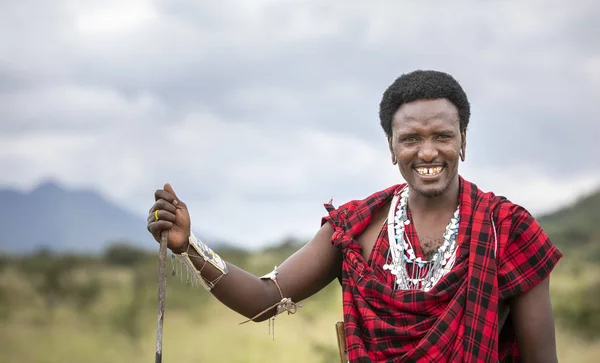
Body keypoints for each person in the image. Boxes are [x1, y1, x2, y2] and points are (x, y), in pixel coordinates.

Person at [147, 70, 563, 363]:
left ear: (464, 142)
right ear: (391, 147)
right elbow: (262, 300)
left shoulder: (506, 229)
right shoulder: (356, 228)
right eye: (411, 139)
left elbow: (542, 359)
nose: (428, 152)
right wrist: (189, 246)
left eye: (442, 136)